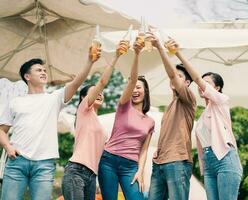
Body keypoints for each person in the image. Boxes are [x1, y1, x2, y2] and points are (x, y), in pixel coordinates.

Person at [0, 46, 101, 200]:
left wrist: (90, 61)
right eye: (38, 70)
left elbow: (75, 84)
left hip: (44, 165)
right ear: (27, 76)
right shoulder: (15, 102)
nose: (43, 72)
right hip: (16, 163)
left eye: (44, 70)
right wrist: (8, 147)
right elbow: (2, 130)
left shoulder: (54, 98)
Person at [166, 39, 243, 200]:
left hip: (225, 159)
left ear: (217, 88)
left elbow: (196, 79)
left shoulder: (221, 101)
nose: (201, 86)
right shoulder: (202, 116)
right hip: (209, 165)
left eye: (206, 83)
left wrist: (178, 53)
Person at [61, 41, 124, 200]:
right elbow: (102, 83)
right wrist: (115, 57)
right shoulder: (84, 110)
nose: (100, 94)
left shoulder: (98, 122)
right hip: (76, 171)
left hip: (91, 175)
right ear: (84, 98)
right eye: (95, 92)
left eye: (101, 93)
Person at [98, 36, 155, 200]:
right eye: (133, 87)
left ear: (145, 92)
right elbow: (131, 82)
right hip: (108, 161)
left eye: (139, 87)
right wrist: (136, 54)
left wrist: (141, 171)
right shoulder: (124, 106)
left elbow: (144, 149)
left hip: (131, 166)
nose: (135, 90)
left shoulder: (150, 122)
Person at [146, 33, 197, 200]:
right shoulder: (170, 106)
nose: (175, 78)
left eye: (180, 76)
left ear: (187, 83)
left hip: (178, 162)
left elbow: (172, 75)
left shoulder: (188, 99)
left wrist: (160, 48)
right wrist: (159, 152)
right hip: (159, 163)